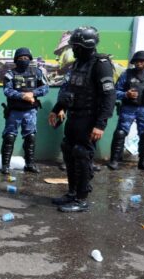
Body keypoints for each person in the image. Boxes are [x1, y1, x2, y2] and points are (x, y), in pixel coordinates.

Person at [49, 26, 116, 213]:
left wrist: (100, 124)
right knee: (68, 151)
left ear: (87, 46)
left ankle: (81, 199)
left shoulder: (100, 64)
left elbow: (109, 96)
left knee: (81, 155)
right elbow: (70, 92)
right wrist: (57, 109)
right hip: (74, 116)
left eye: (76, 46)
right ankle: (71, 193)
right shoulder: (78, 63)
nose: (73, 49)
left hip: (89, 119)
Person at [1, 47, 49, 174]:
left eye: (26, 58)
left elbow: (45, 88)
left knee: (30, 137)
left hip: (30, 111)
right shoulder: (10, 74)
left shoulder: (37, 72)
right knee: (9, 137)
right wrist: (22, 96)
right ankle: (5, 165)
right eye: (21, 58)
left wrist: (32, 93)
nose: (24, 60)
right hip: (14, 111)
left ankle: (29, 164)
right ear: (16, 60)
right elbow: (7, 91)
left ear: (30, 59)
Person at [107, 50, 144, 170]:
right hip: (129, 108)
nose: (139, 63)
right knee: (120, 133)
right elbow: (115, 91)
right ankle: (114, 160)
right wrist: (126, 94)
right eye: (137, 61)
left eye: (142, 61)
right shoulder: (127, 74)